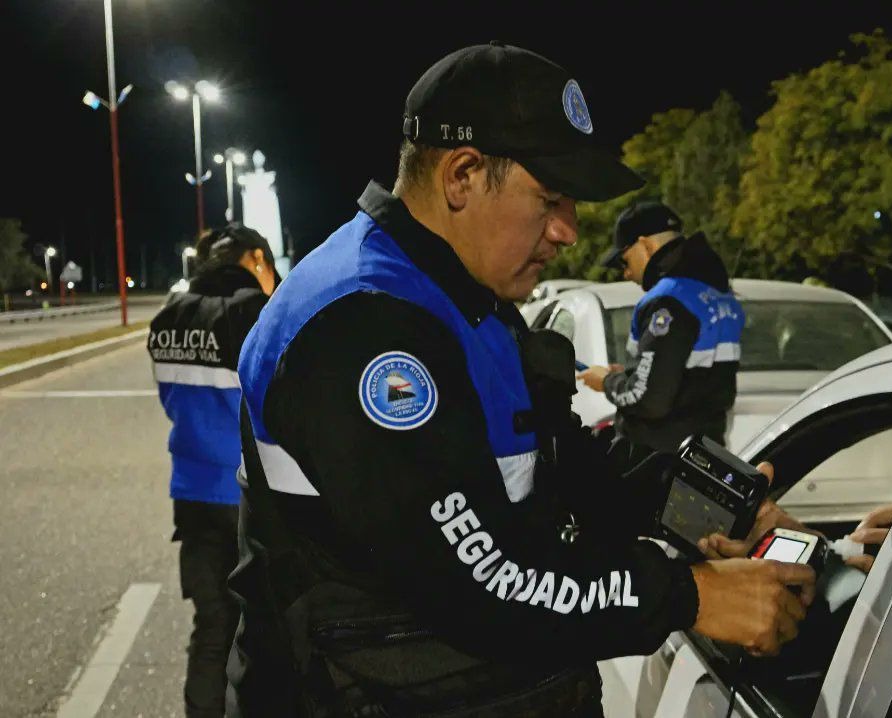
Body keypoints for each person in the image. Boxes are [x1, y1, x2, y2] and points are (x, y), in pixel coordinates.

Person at [226, 43, 814, 718]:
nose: (569, 231)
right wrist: (692, 595)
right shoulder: (360, 324)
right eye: (550, 199)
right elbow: (483, 580)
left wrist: (716, 509)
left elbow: (564, 468)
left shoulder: (464, 299)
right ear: (463, 176)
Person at [147, 224, 276, 718]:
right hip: (250, 497)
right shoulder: (257, 312)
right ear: (257, 259)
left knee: (212, 629)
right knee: (266, 632)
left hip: (193, 496)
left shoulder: (169, 316)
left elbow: (170, 401)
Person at [578, 201, 745, 452]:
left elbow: (649, 399)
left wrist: (607, 382)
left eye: (624, 261)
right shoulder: (717, 293)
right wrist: (633, 373)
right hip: (701, 453)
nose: (626, 273)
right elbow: (691, 380)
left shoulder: (669, 301)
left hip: (659, 459)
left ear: (645, 245)